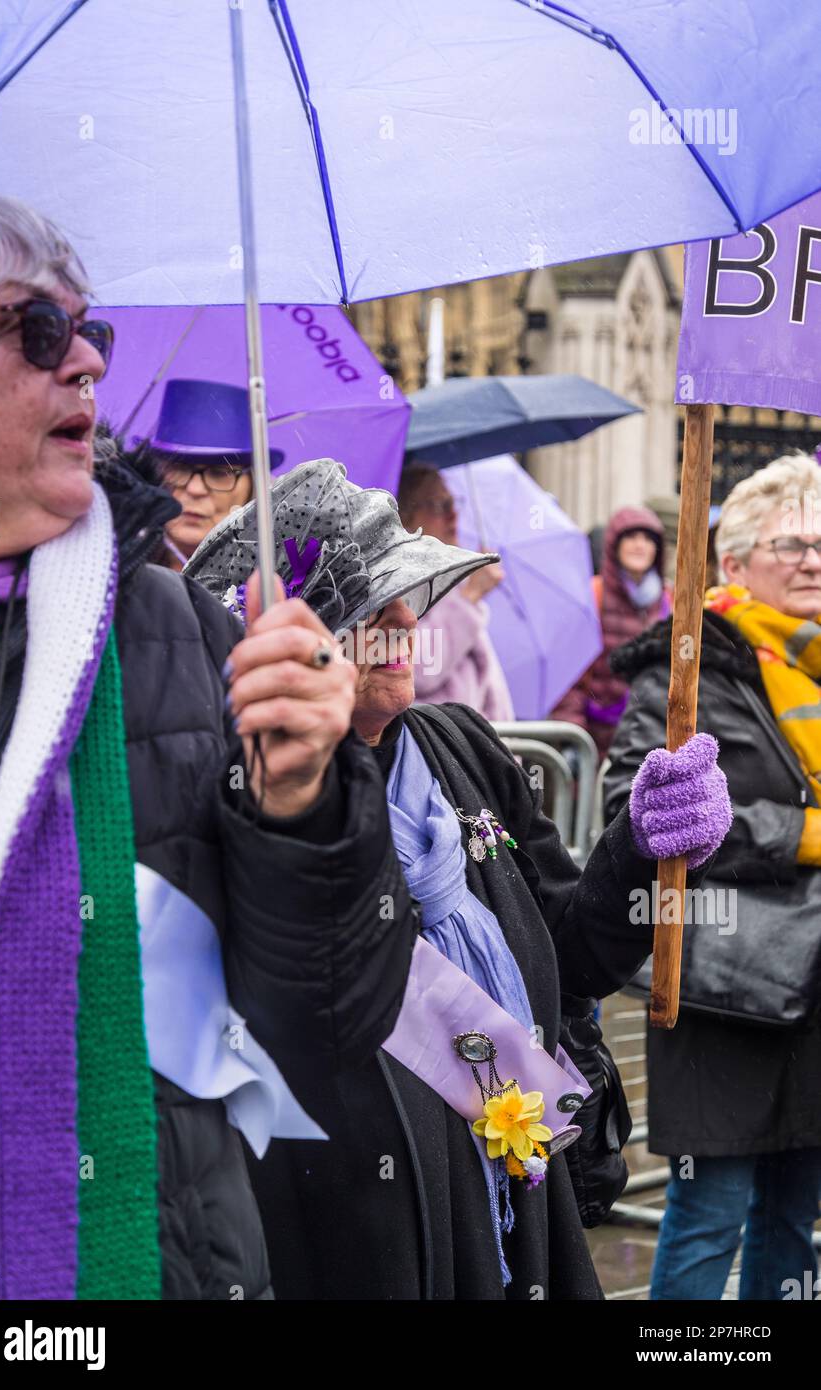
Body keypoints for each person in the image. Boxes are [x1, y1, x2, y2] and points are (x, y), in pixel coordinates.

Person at [0, 194, 415, 1300]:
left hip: (140, 1260)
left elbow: (332, 1020)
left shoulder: (178, 637)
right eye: (34, 330)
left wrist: (305, 804)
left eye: (90, 334)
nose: (85, 370)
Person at [186, 458, 732, 1301]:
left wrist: (641, 850)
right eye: (372, 606)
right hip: (352, 1226)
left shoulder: (463, 749)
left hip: (515, 1190)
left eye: (406, 594)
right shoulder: (244, 799)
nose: (408, 617)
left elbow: (572, 955)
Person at [605, 454, 821, 1301]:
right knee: (711, 1208)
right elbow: (640, 812)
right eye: (791, 544)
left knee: (795, 1212)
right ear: (731, 565)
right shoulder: (684, 668)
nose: (811, 560)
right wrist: (796, 834)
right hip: (722, 983)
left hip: (811, 986)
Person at [552, 505, 670, 760]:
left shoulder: (669, 602)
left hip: (649, 741)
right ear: (614, 544)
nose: (640, 545)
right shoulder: (592, 594)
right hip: (594, 743)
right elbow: (569, 674)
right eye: (631, 536)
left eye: (648, 538)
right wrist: (573, 734)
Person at [397, 462, 514, 721]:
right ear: (406, 518)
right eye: (439, 505)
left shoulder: (448, 580)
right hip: (440, 748)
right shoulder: (397, 584)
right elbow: (422, 668)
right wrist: (469, 599)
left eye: (454, 503)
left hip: (475, 751)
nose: (454, 516)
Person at [141, 376, 284, 569]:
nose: (195, 489)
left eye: (219, 473)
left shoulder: (273, 585)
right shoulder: (111, 574)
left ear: (252, 487)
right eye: (178, 468)